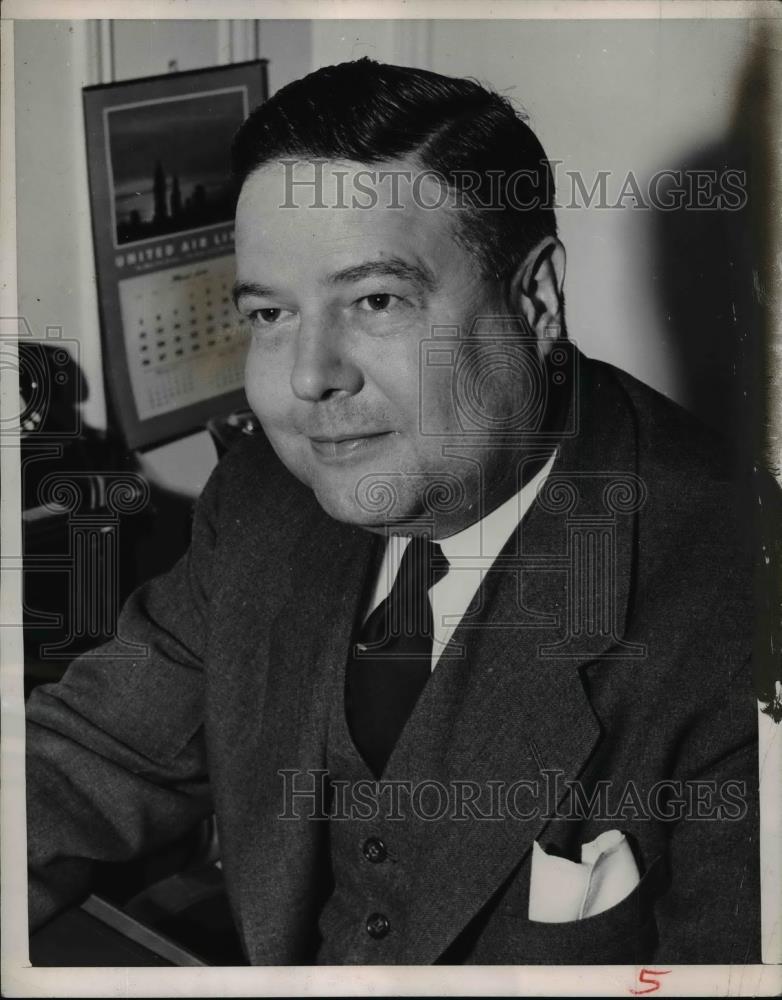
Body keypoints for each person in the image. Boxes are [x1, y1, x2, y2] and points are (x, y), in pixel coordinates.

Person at [27, 57, 773, 965]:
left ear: (534, 300)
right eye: (269, 315)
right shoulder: (267, 496)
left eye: (375, 302)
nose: (309, 378)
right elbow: (88, 760)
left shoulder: (739, 610)